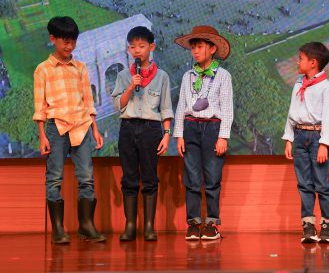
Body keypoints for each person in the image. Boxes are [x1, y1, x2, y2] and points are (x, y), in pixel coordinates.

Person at [33, 16, 105, 244]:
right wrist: (42, 135)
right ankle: (58, 229)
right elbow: (39, 107)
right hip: (56, 127)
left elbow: (88, 102)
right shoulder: (43, 70)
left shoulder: (80, 68)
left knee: (86, 177)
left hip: (82, 126)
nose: (69, 46)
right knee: (54, 177)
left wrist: (95, 130)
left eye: (73, 41)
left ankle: (86, 225)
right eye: (65, 41)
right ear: (53, 39)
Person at [112, 26, 173, 241]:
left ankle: (149, 226)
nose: (137, 50)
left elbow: (166, 108)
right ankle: (130, 225)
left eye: (141, 46)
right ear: (128, 49)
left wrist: (167, 134)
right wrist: (131, 87)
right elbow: (118, 105)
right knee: (129, 178)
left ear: (151, 47)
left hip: (150, 130)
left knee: (149, 178)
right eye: (132, 47)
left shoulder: (162, 76)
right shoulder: (123, 75)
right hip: (128, 129)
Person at [174, 25, 233, 240]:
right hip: (190, 127)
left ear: (212, 48)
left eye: (199, 47)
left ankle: (212, 224)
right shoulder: (188, 76)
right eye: (193, 48)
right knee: (191, 178)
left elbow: (227, 107)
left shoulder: (223, 76)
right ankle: (193, 223)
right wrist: (179, 135)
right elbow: (181, 105)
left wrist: (223, 136)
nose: (195, 51)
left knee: (212, 177)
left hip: (212, 128)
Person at [283, 42, 329, 244]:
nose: (297, 62)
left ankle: (327, 226)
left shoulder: (328, 89)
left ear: (313, 62)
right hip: (300, 136)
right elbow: (292, 112)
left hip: (317, 139)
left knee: (321, 184)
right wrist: (289, 138)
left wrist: (324, 144)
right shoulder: (299, 84)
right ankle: (308, 225)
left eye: (301, 59)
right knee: (304, 183)